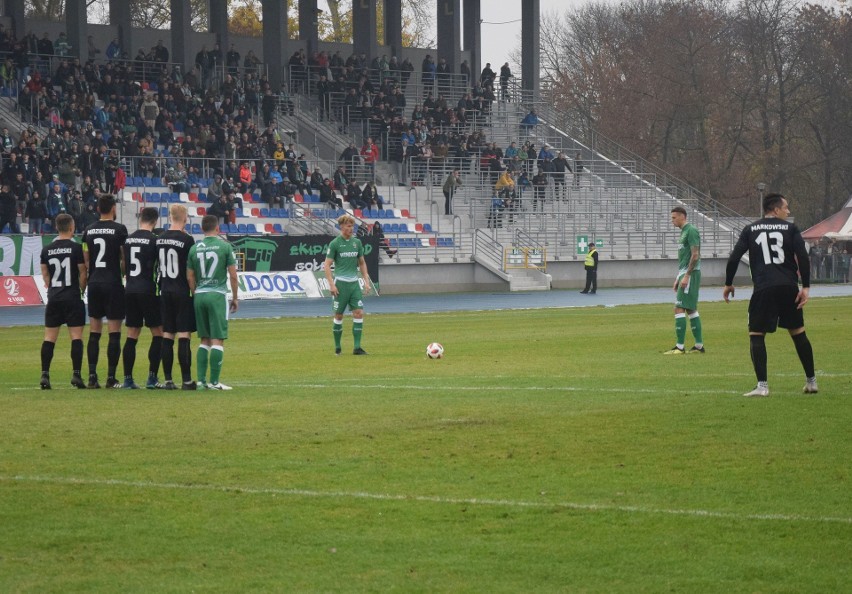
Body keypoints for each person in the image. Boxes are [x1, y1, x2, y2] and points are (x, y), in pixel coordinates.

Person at [723, 193, 817, 397]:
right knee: (798, 332)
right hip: (788, 287)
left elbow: (734, 258)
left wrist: (729, 283)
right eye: (786, 207)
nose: (788, 211)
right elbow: (802, 256)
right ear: (775, 209)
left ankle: (762, 386)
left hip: (764, 288)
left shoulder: (750, 229)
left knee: (756, 334)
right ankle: (811, 381)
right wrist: (806, 287)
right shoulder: (791, 229)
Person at [187, 215, 239, 390]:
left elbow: (190, 276)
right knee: (217, 339)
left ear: (202, 229)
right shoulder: (224, 247)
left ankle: (201, 381)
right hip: (217, 295)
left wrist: (196, 293)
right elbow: (233, 275)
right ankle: (215, 382)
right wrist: (235, 297)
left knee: (204, 339)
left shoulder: (194, 248)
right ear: (217, 229)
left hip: (200, 294)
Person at [82, 194, 128, 388]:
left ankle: (92, 376)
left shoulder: (88, 230)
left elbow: (85, 259)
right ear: (113, 209)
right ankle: (111, 377)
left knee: (94, 331)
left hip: (94, 283)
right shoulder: (120, 230)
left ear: (98, 209)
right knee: (114, 332)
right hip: (113, 283)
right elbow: (124, 259)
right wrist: (121, 272)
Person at [39, 214, 88, 390]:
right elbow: (83, 272)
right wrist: (81, 289)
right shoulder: (76, 248)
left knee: (49, 338)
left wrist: (51, 288)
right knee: (76, 337)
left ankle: (45, 375)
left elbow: (45, 275)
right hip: (72, 296)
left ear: (57, 227)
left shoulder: (46, 250)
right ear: (72, 227)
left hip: (54, 297)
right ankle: (76, 374)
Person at [122, 206, 164, 389]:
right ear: (155, 221)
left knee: (132, 334)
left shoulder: (128, 239)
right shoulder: (155, 240)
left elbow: (123, 265)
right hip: (148, 289)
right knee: (158, 333)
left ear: (141, 219)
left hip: (130, 289)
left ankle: (128, 379)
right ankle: (152, 378)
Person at [156, 204, 197, 390]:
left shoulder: (160, 238)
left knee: (167, 334)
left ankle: (168, 380)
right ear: (185, 217)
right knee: (183, 334)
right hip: (182, 290)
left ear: (170, 216)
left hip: (164, 290)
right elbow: (191, 270)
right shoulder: (188, 240)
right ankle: (187, 380)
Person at [323, 214, 373, 355]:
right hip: (341, 284)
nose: (351, 229)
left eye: (352, 226)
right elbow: (327, 265)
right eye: (349, 226)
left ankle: (357, 347)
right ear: (342, 227)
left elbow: (362, 262)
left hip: (354, 284)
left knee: (358, 313)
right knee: (339, 316)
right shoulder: (335, 243)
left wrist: (366, 281)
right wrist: (332, 284)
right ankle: (337, 347)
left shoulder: (357, 243)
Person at [663, 206, 704, 355]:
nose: (672, 220)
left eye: (674, 217)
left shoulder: (691, 230)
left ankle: (680, 347)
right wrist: (678, 277)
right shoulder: (683, 232)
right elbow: (685, 258)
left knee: (678, 307)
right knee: (691, 308)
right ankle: (699, 346)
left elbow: (695, 255)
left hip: (690, 274)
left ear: (682, 216)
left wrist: (686, 275)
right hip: (685, 273)